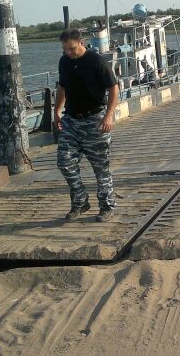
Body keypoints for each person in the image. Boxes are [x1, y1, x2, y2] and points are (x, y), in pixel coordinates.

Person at [54, 29, 120, 221]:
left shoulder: (96, 61)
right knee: (64, 162)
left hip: (95, 120)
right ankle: (80, 201)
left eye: (72, 48)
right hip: (71, 120)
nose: (69, 53)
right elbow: (62, 87)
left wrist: (108, 116)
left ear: (81, 43)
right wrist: (57, 111)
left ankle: (106, 206)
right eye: (65, 49)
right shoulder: (64, 61)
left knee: (101, 168)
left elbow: (113, 88)